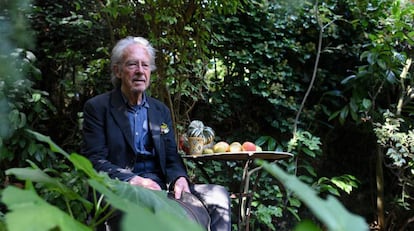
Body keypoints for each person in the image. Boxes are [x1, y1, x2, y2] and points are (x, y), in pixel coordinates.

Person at [81, 36, 231, 231]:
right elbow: (94, 161)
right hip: (122, 188)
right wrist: (134, 180)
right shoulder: (98, 107)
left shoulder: (160, 111)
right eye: (132, 65)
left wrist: (179, 178)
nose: (140, 71)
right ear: (117, 71)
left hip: (160, 187)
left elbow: (171, 157)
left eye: (145, 65)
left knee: (218, 195)